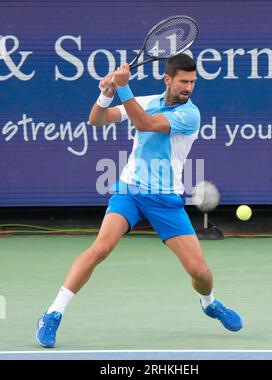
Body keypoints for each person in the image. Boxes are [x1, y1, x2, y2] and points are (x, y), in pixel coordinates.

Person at [36, 54, 242, 348]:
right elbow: (97, 119)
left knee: (200, 273)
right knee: (101, 247)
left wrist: (122, 87)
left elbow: (144, 124)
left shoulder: (190, 114)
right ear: (168, 80)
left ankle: (208, 303)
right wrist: (106, 92)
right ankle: (52, 312)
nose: (189, 87)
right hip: (130, 190)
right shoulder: (146, 100)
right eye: (183, 81)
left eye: (193, 82)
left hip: (166, 199)